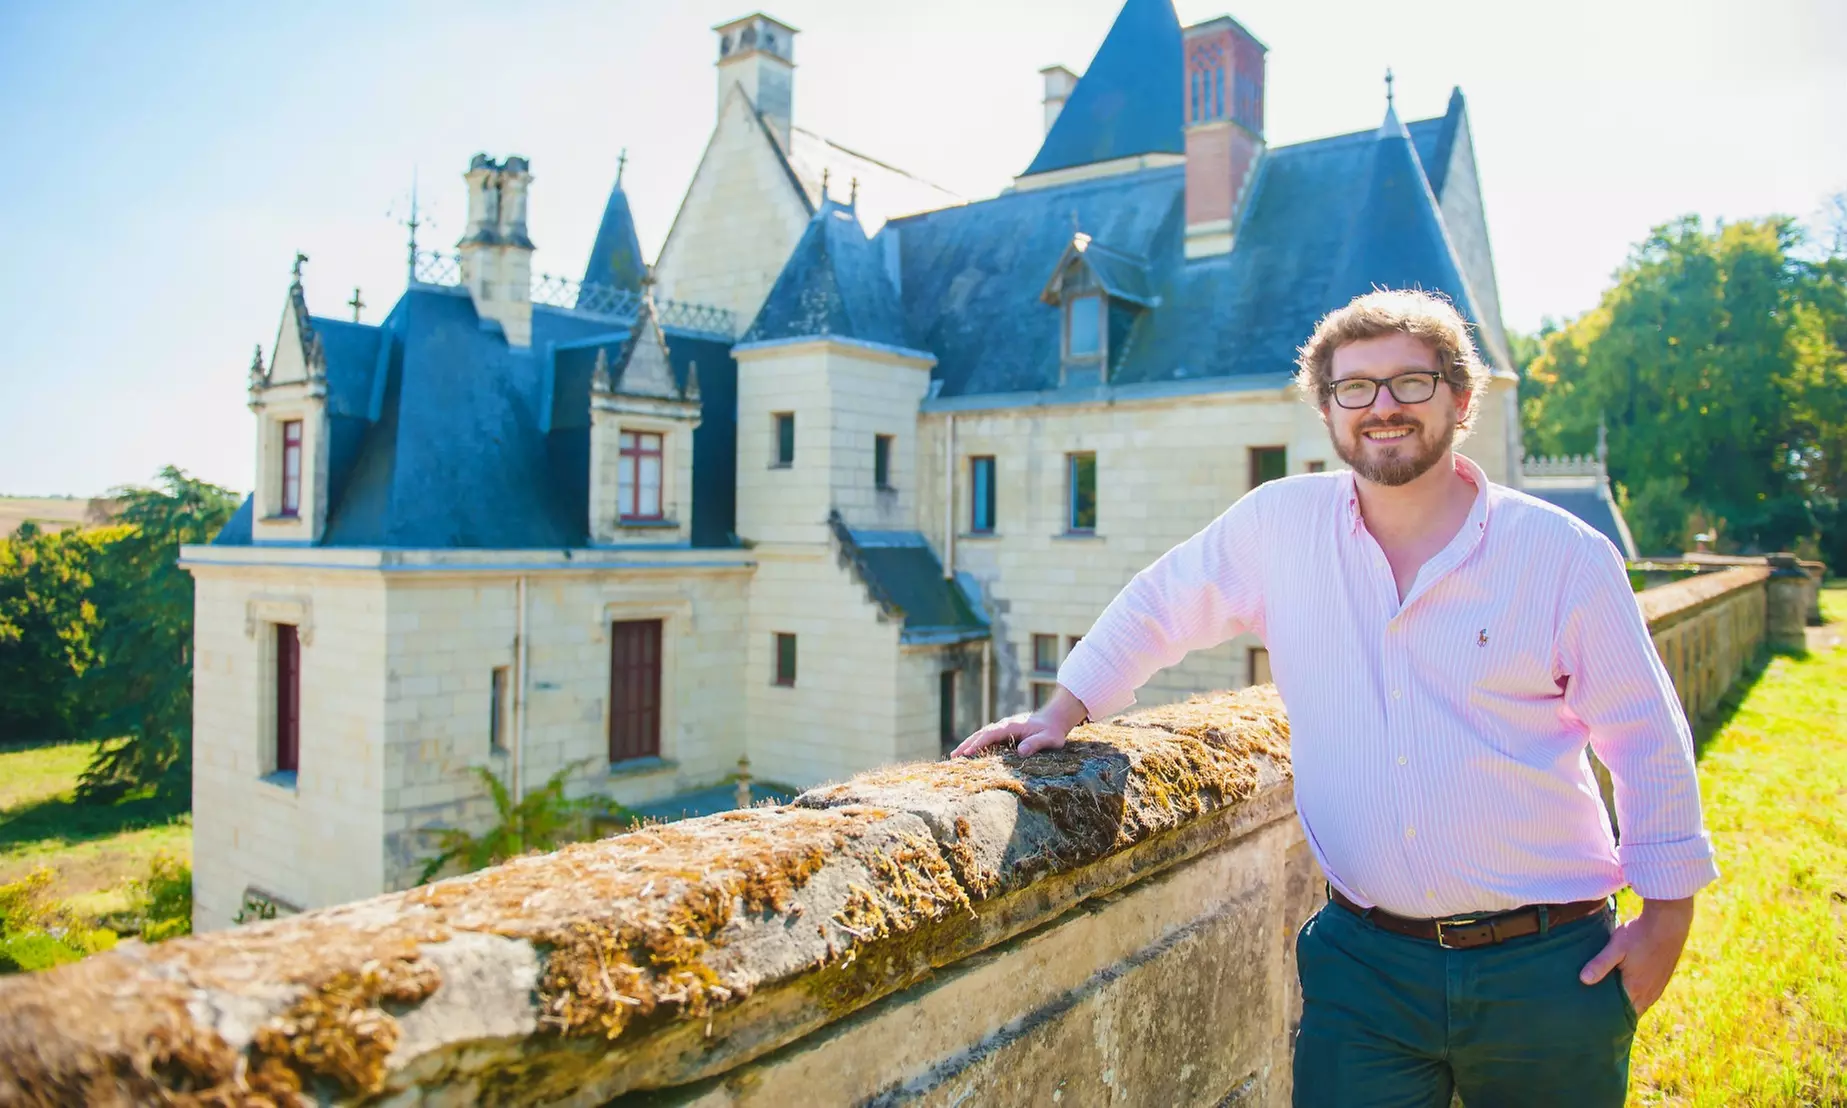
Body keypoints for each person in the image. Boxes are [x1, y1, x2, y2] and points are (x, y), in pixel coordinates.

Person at [951, 289, 1716, 1106]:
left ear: (1459, 399)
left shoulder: (1560, 554)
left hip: (1545, 964)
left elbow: (1643, 734)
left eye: (1409, 383)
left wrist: (1667, 914)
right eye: (1355, 388)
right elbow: (1159, 602)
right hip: (1365, 967)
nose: (1381, 407)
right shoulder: (1280, 524)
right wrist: (1062, 708)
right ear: (1327, 408)